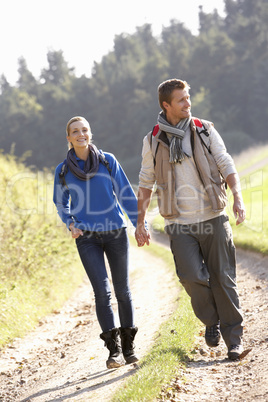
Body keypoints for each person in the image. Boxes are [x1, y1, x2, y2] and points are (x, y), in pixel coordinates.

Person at [135, 79, 246, 360]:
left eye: (188, 98)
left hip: (213, 216)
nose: (188, 103)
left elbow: (225, 161)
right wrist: (140, 221)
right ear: (166, 105)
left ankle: (234, 340)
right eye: (181, 100)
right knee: (191, 277)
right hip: (179, 223)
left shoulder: (204, 129)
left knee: (223, 278)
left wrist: (238, 196)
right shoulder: (152, 140)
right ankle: (211, 321)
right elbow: (146, 181)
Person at [53, 116, 139, 369]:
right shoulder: (63, 170)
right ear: (68, 138)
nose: (81, 134)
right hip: (86, 237)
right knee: (102, 292)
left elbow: (125, 193)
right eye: (75, 131)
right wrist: (70, 222)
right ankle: (113, 352)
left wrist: (138, 224)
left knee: (122, 291)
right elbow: (61, 203)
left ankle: (129, 348)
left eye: (85, 130)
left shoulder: (107, 160)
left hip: (115, 232)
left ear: (90, 133)